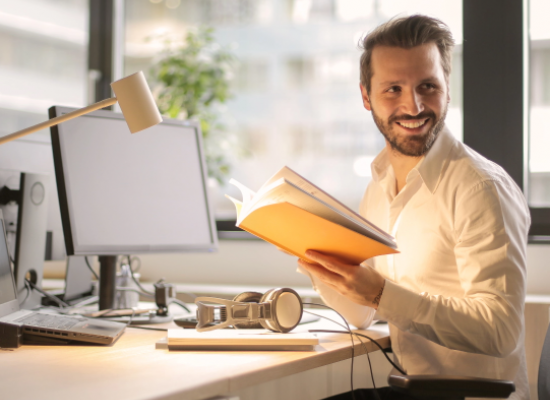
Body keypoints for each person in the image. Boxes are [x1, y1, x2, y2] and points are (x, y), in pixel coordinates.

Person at [297, 14, 530, 400]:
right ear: (365, 96)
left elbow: (500, 331)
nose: (414, 105)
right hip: (415, 389)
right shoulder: (380, 183)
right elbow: (361, 314)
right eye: (393, 89)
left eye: (428, 86)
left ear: (447, 89)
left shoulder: (480, 187)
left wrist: (381, 294)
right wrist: (314, 257)